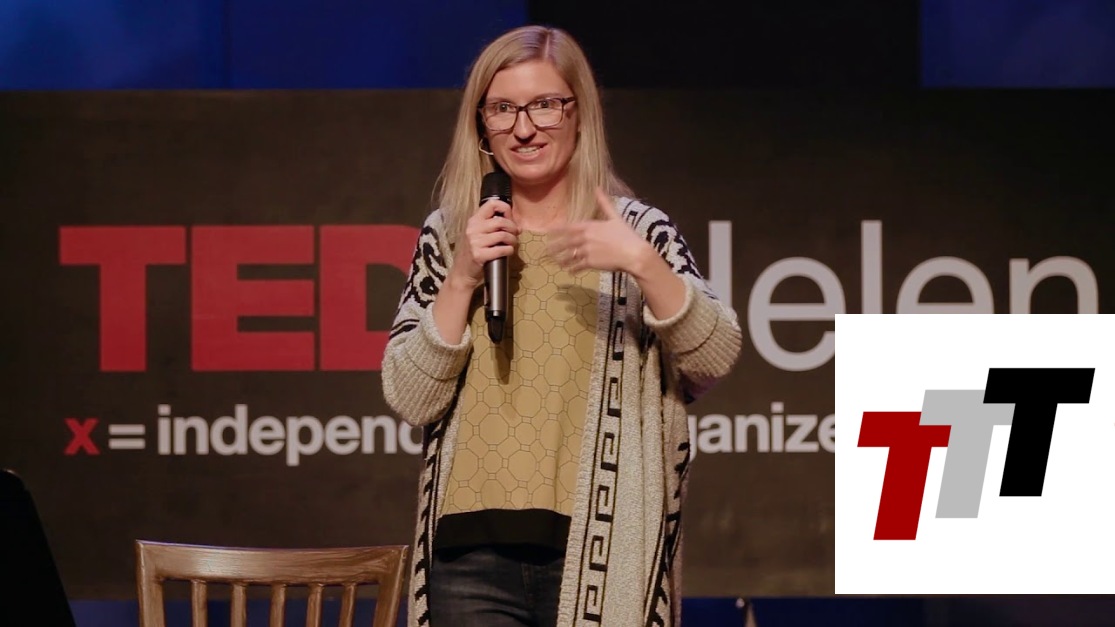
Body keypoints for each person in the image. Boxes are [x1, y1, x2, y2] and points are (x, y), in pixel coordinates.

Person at [381, 25, 742, 627]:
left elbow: (715, 356)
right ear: (481, 124)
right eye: (503, 109)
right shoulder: (451, 235)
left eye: (545, 105)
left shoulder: (637, 233)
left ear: (579, 114)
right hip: (469, 559)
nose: (524, 128)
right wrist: (462, 277)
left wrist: (645, 266)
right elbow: (410, 396)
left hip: (602, 553)